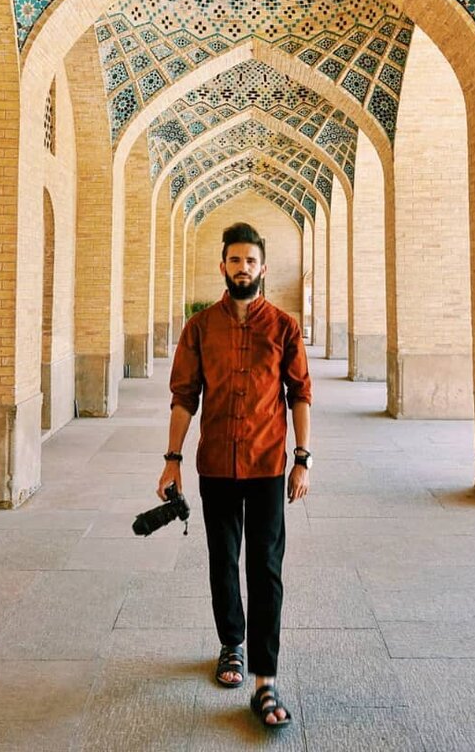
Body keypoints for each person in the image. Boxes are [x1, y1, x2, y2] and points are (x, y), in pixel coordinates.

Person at [157, 221, 313, 728]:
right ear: (222, 265)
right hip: (217, 464)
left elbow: (299, 395)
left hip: (268, 463)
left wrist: (302, 459)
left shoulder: (284, 327)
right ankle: (232, 646)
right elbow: (184, 398)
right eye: (234, 260)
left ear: (262, 268)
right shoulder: (200, 328)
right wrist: (171, 459)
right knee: (223, 559)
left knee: (265, 568)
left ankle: (266, 681)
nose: (242, 268)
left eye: (250, 261)